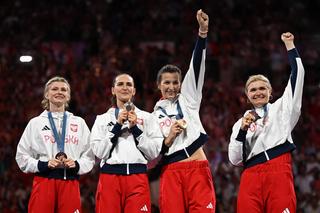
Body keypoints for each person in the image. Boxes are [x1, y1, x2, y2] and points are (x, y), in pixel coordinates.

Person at [228, 32, 305, 212]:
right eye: (253, 90)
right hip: (250, 176)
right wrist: (242, 131)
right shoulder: (239, 124)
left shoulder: (282, 109)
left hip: (279, 170)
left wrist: (290, 46)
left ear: (270, 92)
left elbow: (298, 75)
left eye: (263, 88)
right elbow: (234, 159)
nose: (258, 92)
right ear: (247, 97)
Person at [153, 9, 216, 212]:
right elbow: (153, 151)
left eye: (175, 83)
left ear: (181, 84)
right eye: (166, 83)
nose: (171, 87)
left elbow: (196, 67)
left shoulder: (189, 99)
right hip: (171, 170)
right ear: (159, 86)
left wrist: (202, 34)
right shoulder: (153, 116)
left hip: (197, 167)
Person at [15, 76, 95, 213]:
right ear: (47, 94)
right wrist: (43, 165)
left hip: (70, 182)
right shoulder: (35, 123)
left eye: (64, 90)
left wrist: (77, 164)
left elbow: (90, 156)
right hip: (44, 181)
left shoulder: (79, 123)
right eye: (54, 89)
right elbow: (21, 156)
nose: (59, 92)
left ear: (68, 96)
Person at [90, 73, 164, 213]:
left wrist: (135, 129)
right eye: (120, 84)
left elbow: (154, 152)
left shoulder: (148, 118)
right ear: (113, 90)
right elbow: (99, 152)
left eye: (129, 84)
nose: (125, 88)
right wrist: (117, 126)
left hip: (137, 179)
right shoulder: (102, 119)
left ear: (134, 90)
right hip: (110, 179)